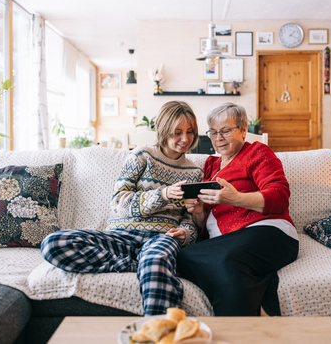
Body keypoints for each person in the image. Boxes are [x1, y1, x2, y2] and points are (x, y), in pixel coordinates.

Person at [41, 101, 204, 315]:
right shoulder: (141, 156)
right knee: (54, 243)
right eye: (177, 132)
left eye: (190, 132)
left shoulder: (194, 173)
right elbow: (119, 203)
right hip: (121, 236)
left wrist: (186, 232)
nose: (185, 139)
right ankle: (136, 266)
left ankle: (160, 329)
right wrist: (162, 194)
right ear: (163, 131)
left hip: (161, 237)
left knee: (156, 262)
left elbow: (190, 222)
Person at [177, 102, 299, 316]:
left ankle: (239, 331)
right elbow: (204, 224)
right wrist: (197, 212)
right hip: (226, 242)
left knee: (226, 259)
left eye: (225, 130)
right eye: (213, 132)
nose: (218, 138)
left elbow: (280, 196)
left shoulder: (257, 152)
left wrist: (237, 198)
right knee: (183, 257)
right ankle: (260, 311)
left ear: (243, 130)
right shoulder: (210, 166)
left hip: (268, 231)